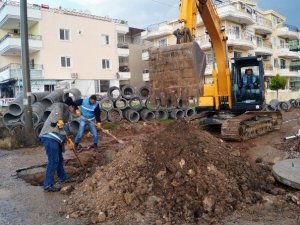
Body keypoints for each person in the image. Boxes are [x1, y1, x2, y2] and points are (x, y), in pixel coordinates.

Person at [39, 97, 76, 192]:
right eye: (74, 108)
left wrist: (67, 141)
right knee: (54, 160)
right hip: (49, 136)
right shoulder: (61, 106)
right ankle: (48, 185)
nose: (74, 111)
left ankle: (63, 177)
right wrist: (58, 120)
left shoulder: (66, 114)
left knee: (59, 159)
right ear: (71, 106)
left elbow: (63, 130)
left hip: (56, 139)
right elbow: (57, 111)